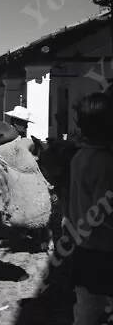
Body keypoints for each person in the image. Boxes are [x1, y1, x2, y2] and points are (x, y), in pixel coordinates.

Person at [67, 92, 113, 325]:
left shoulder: (81, 156)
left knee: (86, 309)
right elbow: (105, 214)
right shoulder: (104, 162)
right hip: (102, 250)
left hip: (84, 247)